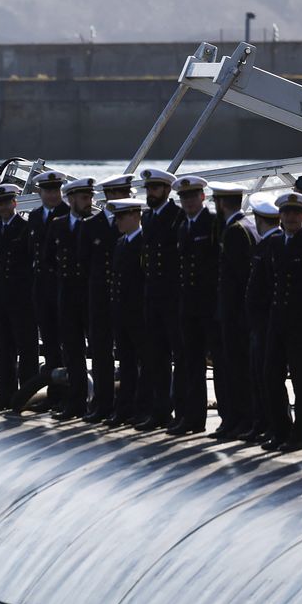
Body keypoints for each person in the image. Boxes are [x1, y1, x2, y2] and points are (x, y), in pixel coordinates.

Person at [261, 191, 302, 452]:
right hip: (276, 320)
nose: (291, 217)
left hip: (300, 323)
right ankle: (280, 429)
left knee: (301, 380)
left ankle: (300, 435)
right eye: (286, 213)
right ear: (280, 216)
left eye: (296, 213)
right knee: (271, 376)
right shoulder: (273, 243)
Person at [82, 174, 133, 422]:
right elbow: (83, 265)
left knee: (129, 353)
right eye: (115, 194)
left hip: (125, 298)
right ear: (108, 197)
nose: (120, 199)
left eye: (124, 193)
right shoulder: (91, 226)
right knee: (101, 353)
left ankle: (128, 406)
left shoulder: (134, 228)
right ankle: (103, 403)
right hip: (100, 298)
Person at [209, 181, 257, 440]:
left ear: (219, 203)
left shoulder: (235, 231)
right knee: (237, 369)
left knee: (234, 370)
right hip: (238, 314)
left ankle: (238, 419)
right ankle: (239, 419)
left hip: (232, 314)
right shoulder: (247, 226)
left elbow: (237, 278)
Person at [171, 175, 216, 435]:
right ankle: (189, 416)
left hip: (207, 306)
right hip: (187, 306)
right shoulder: (184, 227)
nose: (188, 201)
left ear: (202, 197)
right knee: (189, 364)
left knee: (214, 363)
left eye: (192, 196)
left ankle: (209, 419)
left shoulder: (211, 224)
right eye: (184, 197)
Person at [137, 168, 181, 430]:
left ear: (166, 189)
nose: (151, 193)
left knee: (181, 357)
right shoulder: (148, 217)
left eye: (155, 188)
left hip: (173, 297)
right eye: (149, 189)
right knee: (156, 357)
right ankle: (160, 410)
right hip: (152, 296)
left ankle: (181, 410)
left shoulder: (176, 217)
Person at [0, 182, 37, 412]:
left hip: (22, 299)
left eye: (7, 202)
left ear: (14, 203)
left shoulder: (25, 229)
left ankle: (27, 395)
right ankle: (4, 395)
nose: (3, 207)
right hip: (1, 298)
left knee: (26, 348)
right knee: (3, 349)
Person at [51, 177, 96, 419]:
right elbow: (49, 260)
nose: (88, 202)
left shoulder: (97, 224)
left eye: (90, 197)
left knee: (99, 351)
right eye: (84, 198)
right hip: (67, 297)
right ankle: (76, 402)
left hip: (90, 297)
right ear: (71, 199)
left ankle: (100, 402)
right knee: (72, 351)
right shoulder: (58, 225)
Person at [240, 193, 282, 442]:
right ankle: (262, 422)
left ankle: (270, 423)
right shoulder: (266, 244)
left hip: (265, 322)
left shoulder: (269, 245)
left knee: (267, 376)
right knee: (259, 374)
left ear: (258, 218)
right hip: (260, 322)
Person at [106, 198, 149, 427]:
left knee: (144, 364)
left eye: (121, 217)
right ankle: (124, 408)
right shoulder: (121, 243)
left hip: (138, 315)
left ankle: (141, 409)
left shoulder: (144, 243)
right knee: (127, 364)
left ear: (135, 216)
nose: (117, 221)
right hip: (122, 315)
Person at [29, 170, 68, 392]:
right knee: (50, 342)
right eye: (48, 191)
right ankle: (54, 393)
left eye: (55, 190)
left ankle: (68, 393)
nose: (52, 195)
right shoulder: (34, 217)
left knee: (67, 343)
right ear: (40, 192)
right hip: (41, 289)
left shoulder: (67, 214)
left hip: (62, 288)